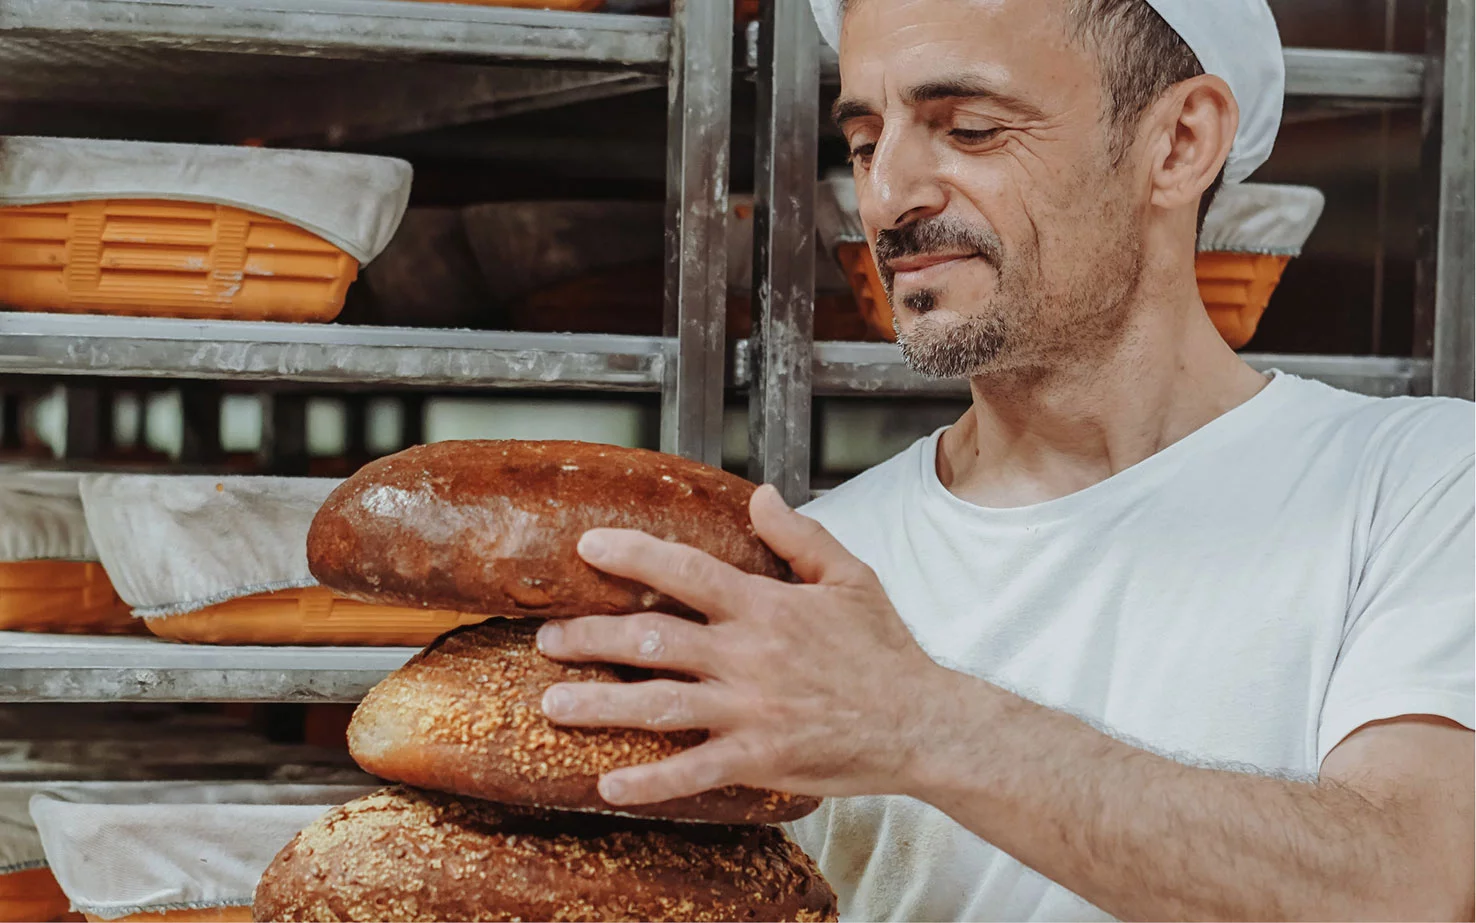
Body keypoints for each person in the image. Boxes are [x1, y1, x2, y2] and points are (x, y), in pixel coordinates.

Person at [533, 0, 1476, 919]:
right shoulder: (811, 578)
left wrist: (915, 721)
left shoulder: (1415, 487)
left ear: (1181, 142)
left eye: (970, 128)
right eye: (865, 141)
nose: (888, 197)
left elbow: (1411, 885)